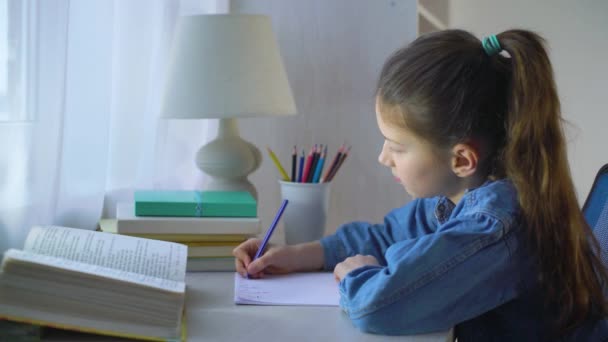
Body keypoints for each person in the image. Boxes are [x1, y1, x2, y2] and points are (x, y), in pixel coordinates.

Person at [233, 29, 608, 340]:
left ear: (461, 159)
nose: (384, 157)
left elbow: (379, 306)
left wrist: (354, 274)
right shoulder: (459, 197)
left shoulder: (495, 227)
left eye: (397, 147)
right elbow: (386, 237)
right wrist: (300, 255)